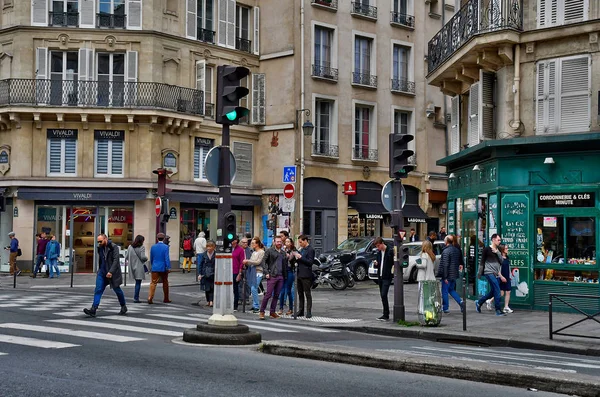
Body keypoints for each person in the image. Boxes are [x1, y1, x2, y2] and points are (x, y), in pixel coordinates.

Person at [83, 233, 127, 317]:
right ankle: (93, 309)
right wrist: (99, 270)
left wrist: (111, 272)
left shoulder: (114, 247)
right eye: (98, 242)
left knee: (117, 290)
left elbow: (115, 260)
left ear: (105, 239)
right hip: (102, 272)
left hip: (112, 273)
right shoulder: (100, 248)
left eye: (100, 241)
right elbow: (101, 259)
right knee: (98, 290)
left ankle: (123, 306)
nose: (99, 243)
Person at [476, 233, 506, 316]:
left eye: (500, 240)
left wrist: (497, 252)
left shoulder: (498, 249)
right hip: (488, 272)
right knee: (497, 290)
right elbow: (482, 262)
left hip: (496, 273)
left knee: (493, 292)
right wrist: (479, 273)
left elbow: (501, 261)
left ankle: (479, 302)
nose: (499, 241)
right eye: (498, 240)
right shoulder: (486, 249)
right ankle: (498, 310)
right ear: (493, 240)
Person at [258, 236, 287, 320]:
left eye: (280, 242)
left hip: (280, 276)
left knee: (277, 295)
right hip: (272, 275)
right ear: (274, 242)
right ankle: (262, 311)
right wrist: (266, 272)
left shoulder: (283, 253)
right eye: (277, 241)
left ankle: (272, 312)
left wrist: (285, 276)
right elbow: (263, 262)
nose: (279, 243)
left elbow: (284, 265)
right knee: (268, 294)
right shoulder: (269, 251)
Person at [437, 235, 463, 314]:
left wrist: (444, 277)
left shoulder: (446, 251)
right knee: (451, 290)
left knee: (444, 291)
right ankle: (461, 302)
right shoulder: (456, 250)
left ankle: (445, 308)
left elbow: (445, 264)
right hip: (454, 274)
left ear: (446, 242)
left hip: (447, 275)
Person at [293, 235, 315, 318]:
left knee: (307, 293)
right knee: (300, 293)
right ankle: (301, 310)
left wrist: (300, 257)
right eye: (299, 242)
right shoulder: (301, 249)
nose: (300, 244)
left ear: (305, 240)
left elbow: (310, 262)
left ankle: (309, 311)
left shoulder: (310, 250)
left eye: (301, 242)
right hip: (299, 273)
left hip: (306, 274)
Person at [417, 240, 438, 321]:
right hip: (431, 278)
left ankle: (424, 313)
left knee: (422, 297)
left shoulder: (424, 255)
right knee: (431, 298)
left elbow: (423, 265)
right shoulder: (432, 256)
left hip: (424, 279)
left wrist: (417, 263)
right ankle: (432, 313)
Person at [373, 237, 394, 321]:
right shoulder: (379, 253)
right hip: (380, 276)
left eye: (379, 246)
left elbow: (392, 262)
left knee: (384, 294)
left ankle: (386, 314)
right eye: (377, 246)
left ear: (382, 243)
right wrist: (376, 264)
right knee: (382, 295)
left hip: (387, 276)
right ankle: (385, 313)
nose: (378, 248)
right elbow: (378, 265)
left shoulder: (389, 251)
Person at [243, 237, 265, 313]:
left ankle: (256, 306)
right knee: (252, 288)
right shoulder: (253, 252)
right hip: (252, 271)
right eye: (251, 243)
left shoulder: (261, 252)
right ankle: (255, 304)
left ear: (257, 244)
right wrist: (246, 263)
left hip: (258, 271)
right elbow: (252, 261)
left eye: (253, 243)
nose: (251, 244)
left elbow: (258, 262)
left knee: (254, 288)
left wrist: (248, 261)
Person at [148, 233, 171, 304]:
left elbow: (151, 258)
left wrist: (152, 265)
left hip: (155, 267)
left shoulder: (153, 247)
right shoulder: (166, 247)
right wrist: (168, 267)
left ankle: (150, 297)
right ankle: (166, 298)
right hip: (163, 267)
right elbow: (166, 258)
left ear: (157, 239)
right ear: (164, 239)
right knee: (165, 282)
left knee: (153, 282)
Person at [277, 238, 296, 316]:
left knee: (288, 291)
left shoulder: (293, 251)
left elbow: (290, 258)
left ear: (291, 243)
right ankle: (281, 308)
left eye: (288, 242)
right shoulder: (282, 251)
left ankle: (291, 309)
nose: (286, 243)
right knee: (282, 291)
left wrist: (286, 254)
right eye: (286, 242)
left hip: (290, 271)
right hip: (283, 272)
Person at [127, 235, 148, 303]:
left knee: (137, 283)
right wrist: (146, 258)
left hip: (132, 266)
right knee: (138, 283)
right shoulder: (142, 247)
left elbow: (127, 256)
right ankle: (136, 298)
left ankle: (136, 298)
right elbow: (143, 257)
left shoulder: (130, 247)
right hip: (139, 267)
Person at [198, 241, 216, 307]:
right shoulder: (204, 254)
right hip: (205, 273)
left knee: (212, 288)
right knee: (207, 288)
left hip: (214, 273)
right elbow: (200, 264)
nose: (208, 248)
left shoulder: (216, 254)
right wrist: (199, 274)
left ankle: (211, 301)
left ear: (213, 247)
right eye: (208, 247)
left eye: (210, 247)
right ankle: (208, 300)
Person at [498, 244, 513, 314]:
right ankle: (490, 300)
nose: (507, 249)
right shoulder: (499, 258)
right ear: (502, 250)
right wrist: (501, 276)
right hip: (502, 277)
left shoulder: (507, 257)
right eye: (506, 248)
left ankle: (506, 307)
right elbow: (497, 269)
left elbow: (508, 267)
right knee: (501, 293)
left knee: (508, 291)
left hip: (507, 277)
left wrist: (510, 276)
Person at [231, 236, 245, 311]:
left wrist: (239, 273)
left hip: (235, 271)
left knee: (235, 289)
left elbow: (241, 262)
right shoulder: (228, 248)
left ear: (236, 241)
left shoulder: (240, 250)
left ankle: (235, 305)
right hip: (228, 271)